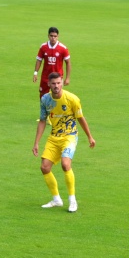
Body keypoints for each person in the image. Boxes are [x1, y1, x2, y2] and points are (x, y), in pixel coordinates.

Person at [32, 73, 95, 213]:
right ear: (48, 84)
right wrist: (36, 143)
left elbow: (81, 118)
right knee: (44, 167)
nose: (56, 86)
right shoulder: (45, 99)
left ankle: (72, 200)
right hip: (54, 137)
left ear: (62, 83)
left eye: (59, 83)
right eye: (53, 83)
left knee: (66, 164)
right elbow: (42, 120)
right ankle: (56, 199)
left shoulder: (72, 99)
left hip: (69, 136)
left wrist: (90, 137)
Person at [33, 27, 70, 98]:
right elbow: (39, 60)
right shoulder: (43, 47)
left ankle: (56, 109)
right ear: (48, 36)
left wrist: (67, 78)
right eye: (51, 36)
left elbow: (68, 62)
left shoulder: (63, 48)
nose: (53, 38)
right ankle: (44, 109)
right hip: (45, 77)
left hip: (57, 78)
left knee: (57, 96)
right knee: (43, 96)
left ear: (58, 36)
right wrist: (35, 73)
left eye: (55, 36)